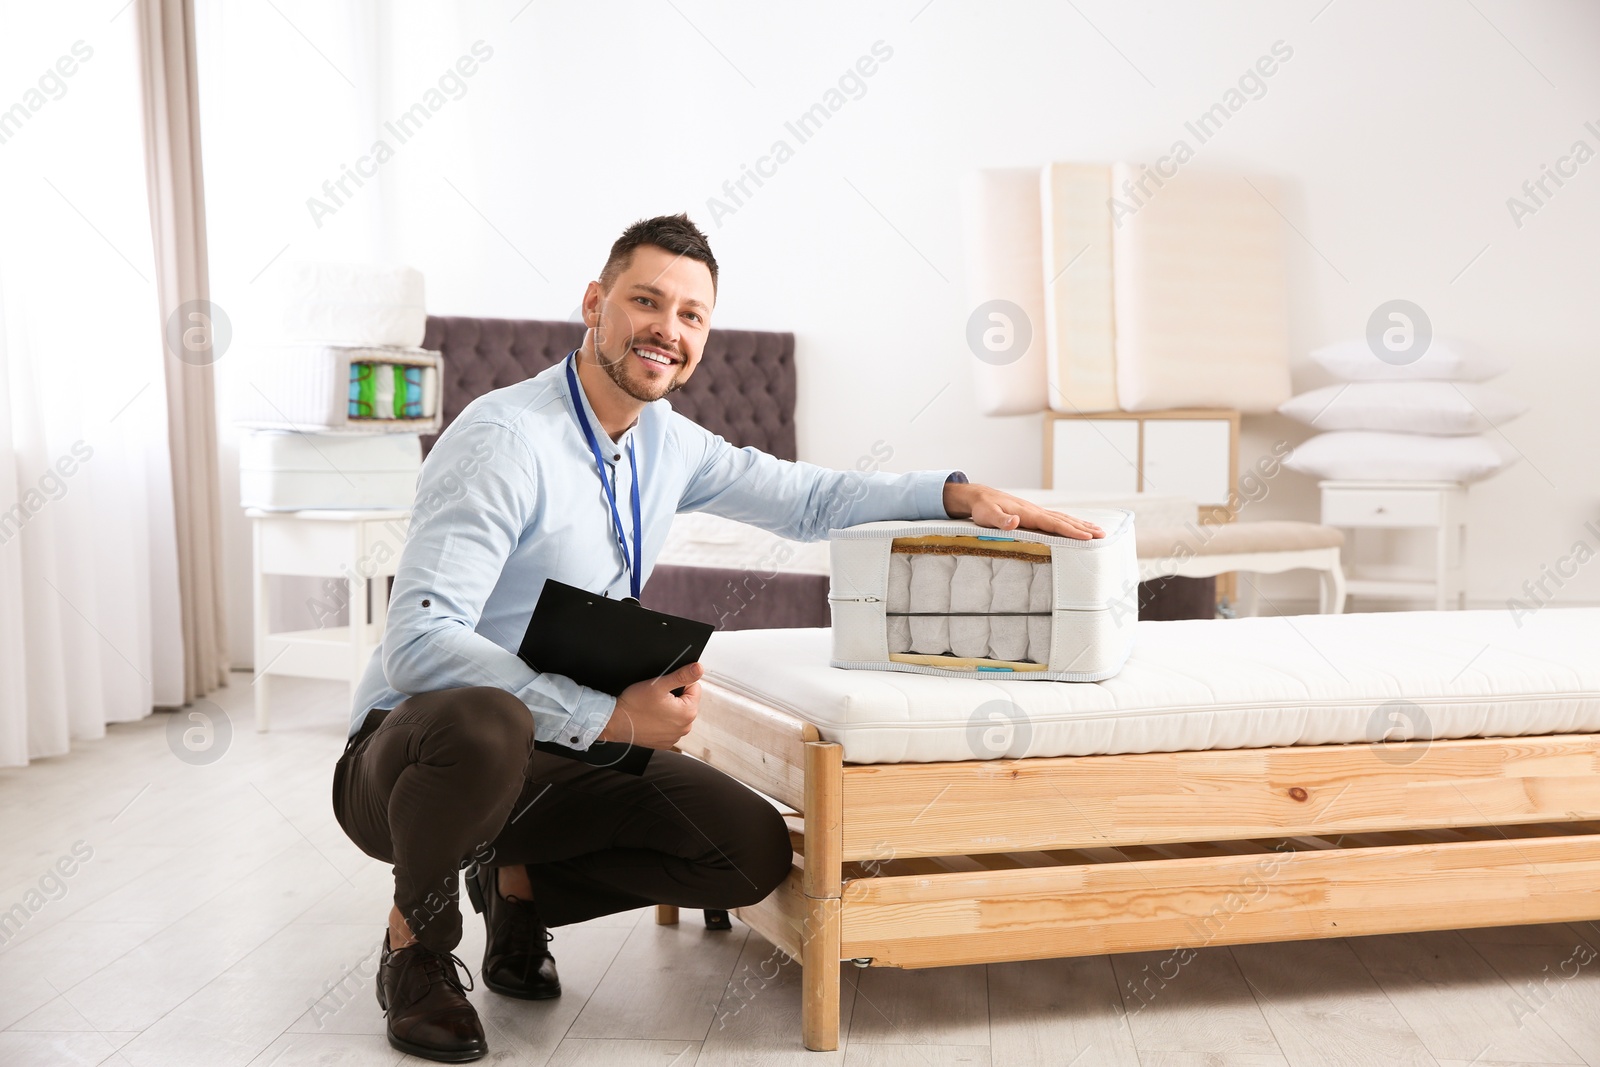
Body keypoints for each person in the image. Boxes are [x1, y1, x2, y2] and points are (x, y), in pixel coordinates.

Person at [330, 213, 1105, 1062]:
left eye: (691, 314)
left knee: (747, 851)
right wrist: (607, 718)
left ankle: (516, 882)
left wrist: (953, 493)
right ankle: (417, 945)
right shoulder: (502, 439)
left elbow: (809, 499)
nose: (668, 328)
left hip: (549, 752)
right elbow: (420, 638)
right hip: (410, 756)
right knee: (487, 719)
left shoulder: (668, 443)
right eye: (646, 301)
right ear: (596, 304)